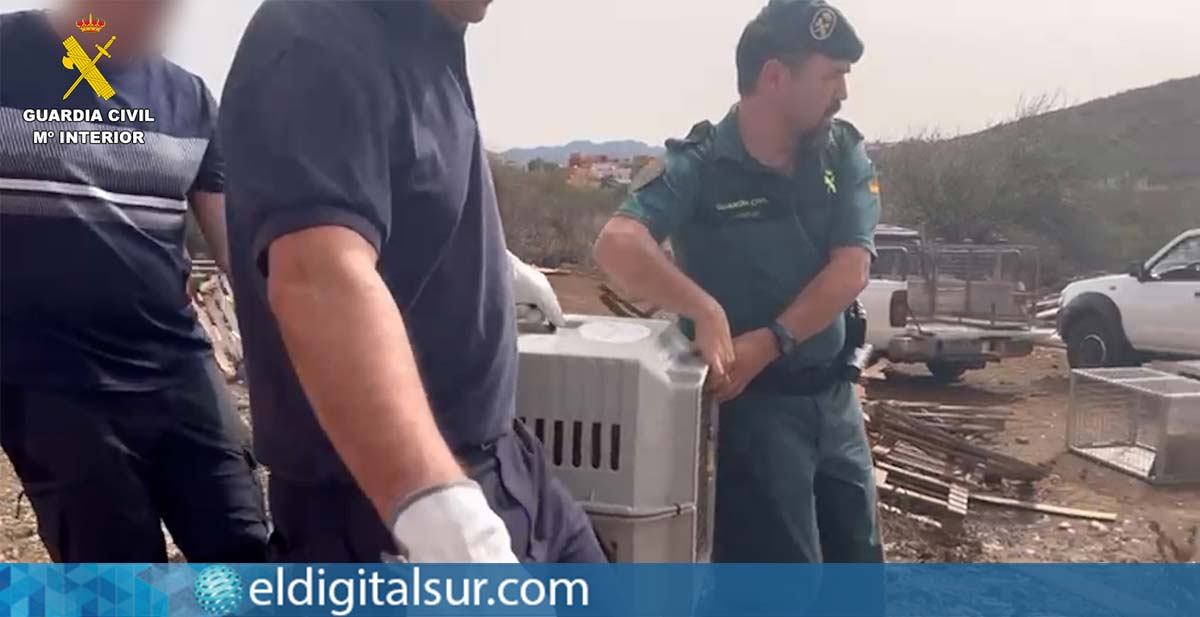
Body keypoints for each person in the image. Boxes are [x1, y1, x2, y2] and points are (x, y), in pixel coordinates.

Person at [219, 0, 605, 563]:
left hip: (506, 465)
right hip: (383, 505)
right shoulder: (316, 37)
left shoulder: (427, 38)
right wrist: (443, 519)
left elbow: (412, 204)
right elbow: (316, 277)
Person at [594, 0, 884, 562]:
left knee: (859, 571)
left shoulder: (841, 152)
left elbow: (851, 268)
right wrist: (704, 309)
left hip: (835, 401)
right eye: (831, 77)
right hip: (754, 417)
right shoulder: (702, 165)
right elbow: (618, 242)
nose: (842, 94)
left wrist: (770, 339)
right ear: (775, 77)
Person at [0, 0, 268, 562]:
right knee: (119, 583)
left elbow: (240, 252)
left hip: (179, 372)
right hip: (51, 387)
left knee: (246, 553)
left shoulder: (189, 99)